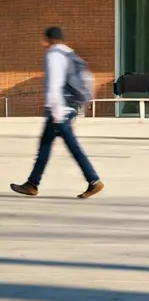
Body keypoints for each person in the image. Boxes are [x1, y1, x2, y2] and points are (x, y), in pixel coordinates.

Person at [10, 27, 104, 198]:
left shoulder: (54, 55)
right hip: (68, 107)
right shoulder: (70, 54)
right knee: (45, 145)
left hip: (59, 109)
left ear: (47, 39)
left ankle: (93, 180)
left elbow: (54, 83)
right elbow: (87, 78)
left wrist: (55, 110)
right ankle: (32, 183)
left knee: (72, 147)